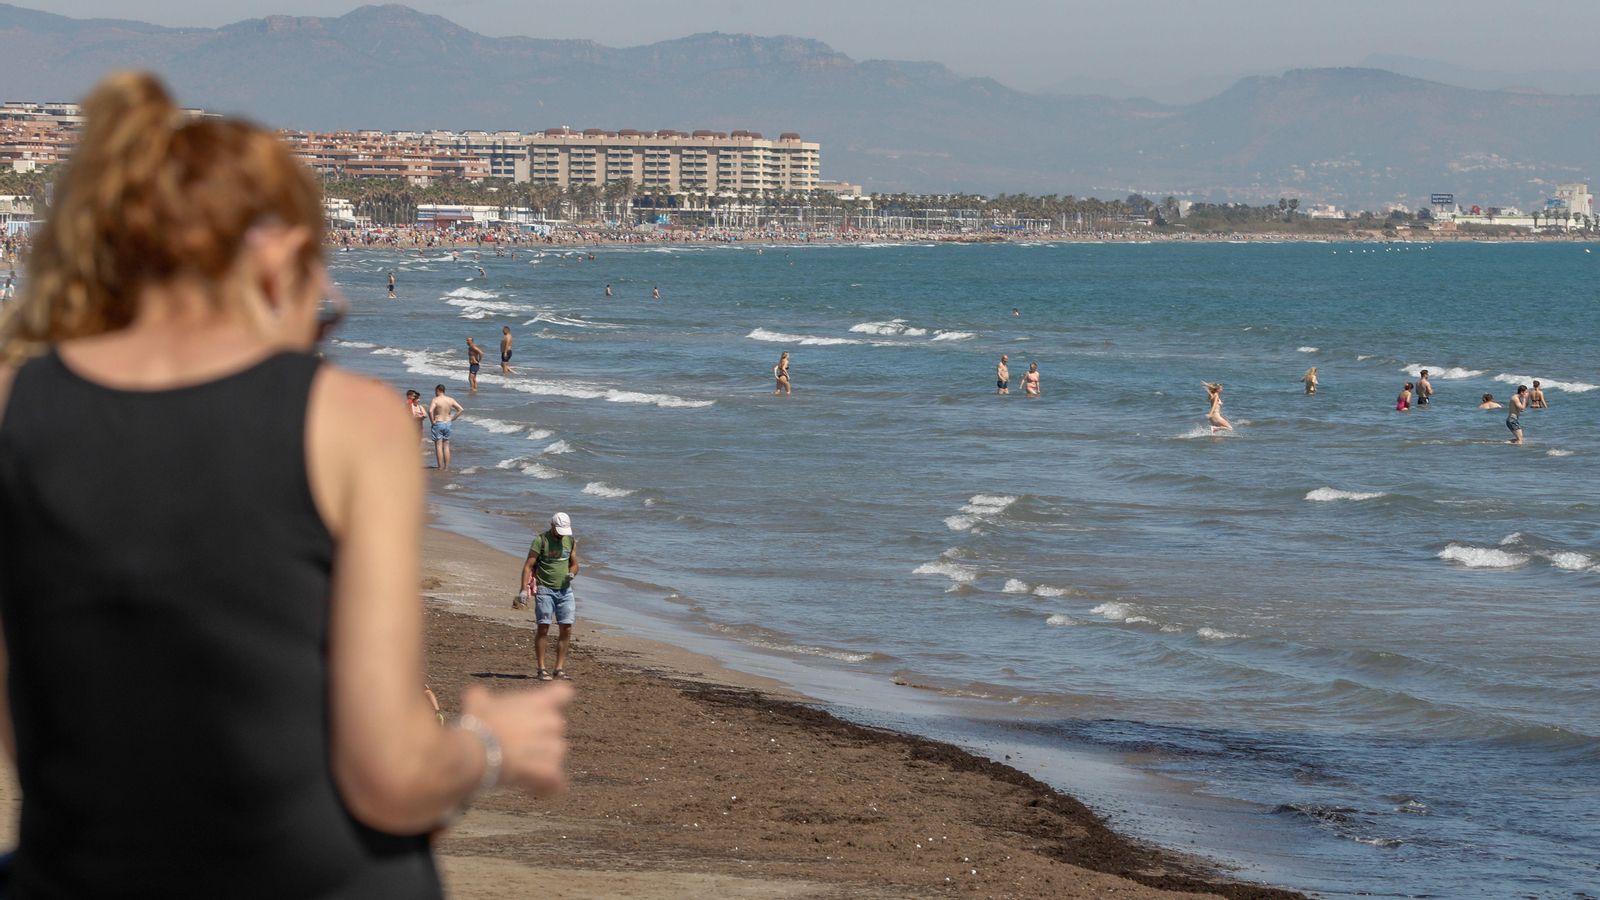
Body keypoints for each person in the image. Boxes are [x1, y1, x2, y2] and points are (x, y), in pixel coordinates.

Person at [0, 71, 569, 899]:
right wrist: (489, 745)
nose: (325, 306)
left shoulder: (15, 409)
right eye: (319, 286)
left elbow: (35, 739)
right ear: (273, 252)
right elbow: (391, 780)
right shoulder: (351, 423)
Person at [517, 513, 579, 681]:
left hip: (565, 591)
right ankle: (541, 668)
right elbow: (528, 566)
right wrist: (523, 589)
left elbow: (574, 564)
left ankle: (559, 669)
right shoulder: (540, 540)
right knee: (543, 627)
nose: (561, 534)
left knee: (566, 627)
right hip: (545, 589)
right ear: (552, 526)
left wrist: (572, 574)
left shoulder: (570, 541)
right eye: (559, 530)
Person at [428, 383, 463, 469]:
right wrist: (453, 418)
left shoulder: (435, 400)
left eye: (435, 391)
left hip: (439, 422)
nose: (435, 393)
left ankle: (440, 467)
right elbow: (460, 409)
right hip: (448, 423)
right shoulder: (450, 399)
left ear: (438, 390)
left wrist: (432, 421)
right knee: (446, 445)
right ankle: (446, 467)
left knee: (439, 446)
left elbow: (430, 411)